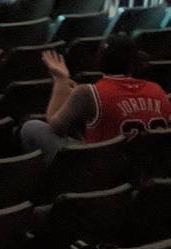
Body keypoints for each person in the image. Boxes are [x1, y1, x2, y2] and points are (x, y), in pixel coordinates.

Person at [20, 40, 168, 160]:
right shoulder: (158, 90)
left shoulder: (87, 92)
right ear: (134, 63)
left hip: (97, 169)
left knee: (31, 127)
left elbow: (55, 126)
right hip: (137, 168)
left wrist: (61, 80)